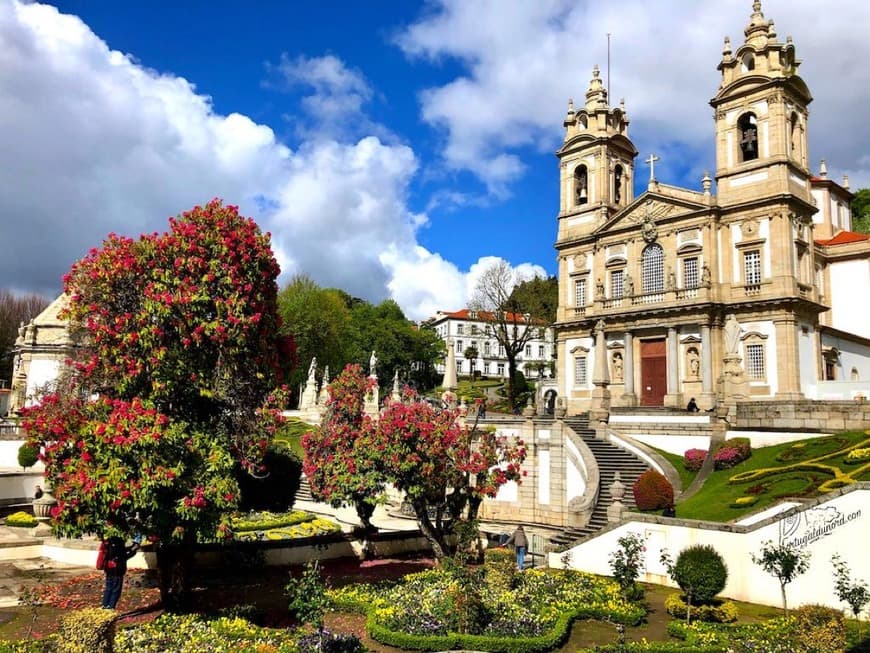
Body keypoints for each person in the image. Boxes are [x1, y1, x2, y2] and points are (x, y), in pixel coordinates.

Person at [101, 535, 139, 609]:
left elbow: (125, 550)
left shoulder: (110, 547)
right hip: (117, 572)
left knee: (108, 588)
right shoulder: (120, 549)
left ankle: (105, 605)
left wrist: (132, 547)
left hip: (109, 570)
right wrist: (134, 550)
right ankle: (111, 606)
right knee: (116, 590)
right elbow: (126, 555)